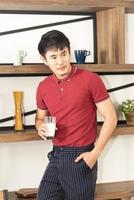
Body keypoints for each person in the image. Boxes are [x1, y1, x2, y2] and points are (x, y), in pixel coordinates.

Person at [35, 30, 117, 200]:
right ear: (44, 60)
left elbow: (111, 118)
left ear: (69, 51)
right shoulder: (43, 87)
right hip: (56, 155)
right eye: (54, 57)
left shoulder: (90, 79)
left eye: (63, 54)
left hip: (80, 156)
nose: (60, 62)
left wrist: (94, 154)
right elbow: (40, 117)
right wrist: (39, 126)